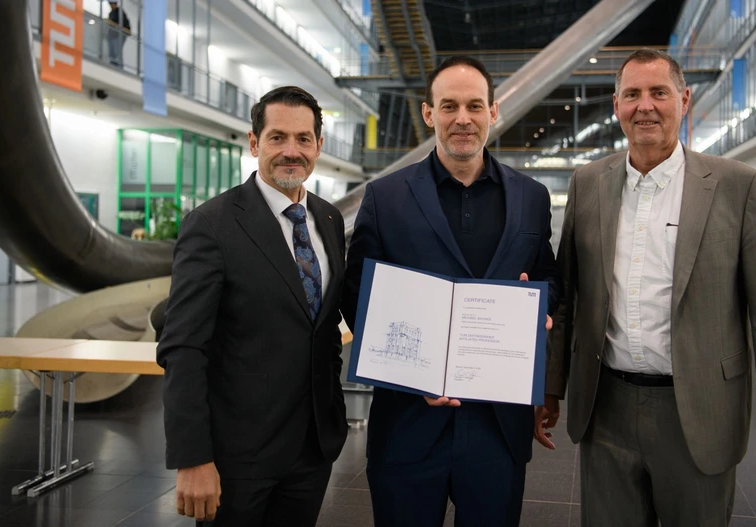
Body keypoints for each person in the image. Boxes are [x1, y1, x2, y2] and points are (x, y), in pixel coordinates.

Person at [545, 48, 756, 526]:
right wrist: (550, 388)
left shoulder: (736, 186)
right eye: (632, 94)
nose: (645, 106)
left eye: (658, 93)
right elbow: (567, 299)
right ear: (616, 105)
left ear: (683, 100)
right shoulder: (588, 184)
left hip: (700, 410)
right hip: (606, 407)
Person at [342, 56, 558, 527]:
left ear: (493, 112)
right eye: (449, 106)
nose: (463, 118)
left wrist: (543, 312)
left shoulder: (531, 197)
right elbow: (356, 292)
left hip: (498, 426)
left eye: (474, 105)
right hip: (408, 422)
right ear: (428, 113)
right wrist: (405, 367)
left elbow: (549, 277)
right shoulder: (385, 196)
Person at [157, 86, 348, 525]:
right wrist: (192, 457)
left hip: (312, 450)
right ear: (253, 142)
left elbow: (323, 324)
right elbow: (183, 347)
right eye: (277, 137)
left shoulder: (330, 220)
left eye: (303, 139)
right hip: (237, 457)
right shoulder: (212, 225)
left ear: (319, 146)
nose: (291, 151)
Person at [106, 1, 131, 67]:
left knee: (117, 50)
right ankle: (112, 64)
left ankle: (119, 66)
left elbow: (124, 24)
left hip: (119, 35)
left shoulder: (120, 12)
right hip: (112, 35)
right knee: (111, 51)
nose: (111, 6)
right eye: (110, 4)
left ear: (115, 4)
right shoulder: (111, 13)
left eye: (112, 4)